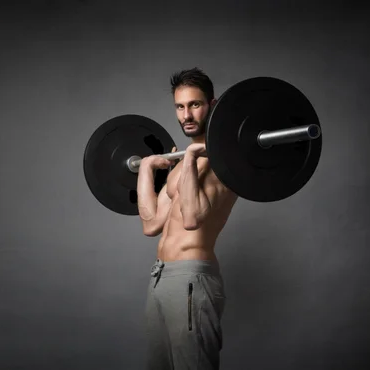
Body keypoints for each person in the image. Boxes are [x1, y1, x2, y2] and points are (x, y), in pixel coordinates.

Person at [137, 68, 239, 370]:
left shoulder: (224, 159)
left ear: (212, 104)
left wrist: (193, 158)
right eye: (180, 107)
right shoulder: (181, 162)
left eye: (194, 104)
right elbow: (151, 225)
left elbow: (192, 219)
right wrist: (145, 169)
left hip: (192, 279)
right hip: (160, 278)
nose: (186, 115)